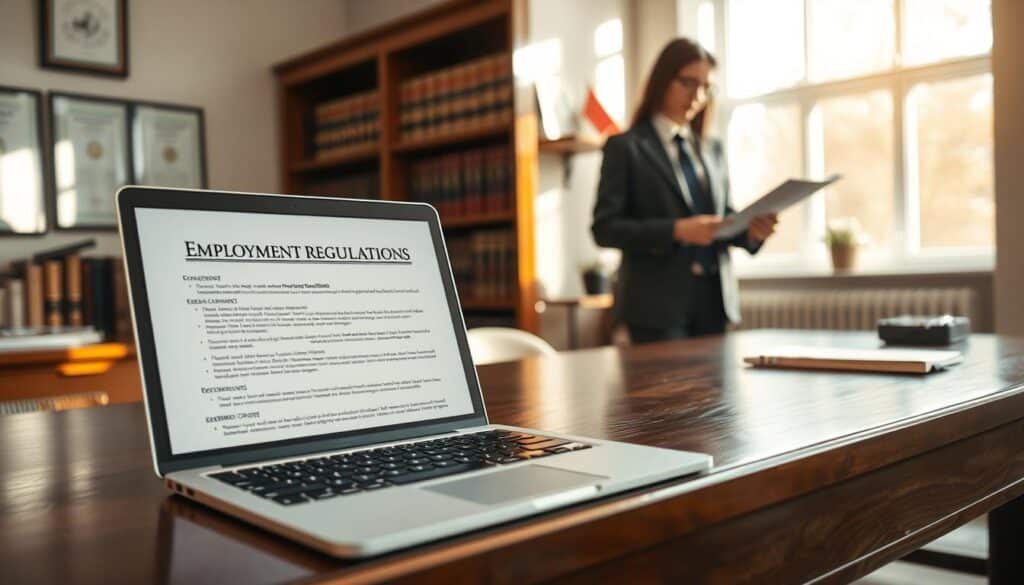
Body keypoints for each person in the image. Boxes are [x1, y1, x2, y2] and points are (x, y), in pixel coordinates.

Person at [591, 38, 778, 343]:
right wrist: (677, 230)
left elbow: (722, 217)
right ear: (662, 80)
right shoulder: (625, 147)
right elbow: (605, 228)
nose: (698, 95)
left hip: (714, 302)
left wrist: (752, 232)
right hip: (655, 309)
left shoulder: (712, 149)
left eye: (706, 87)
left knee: (718, 392)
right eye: (688, 82)